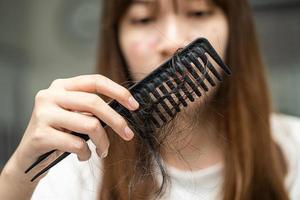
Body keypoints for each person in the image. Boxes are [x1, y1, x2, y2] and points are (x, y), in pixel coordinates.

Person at [0, 0, 299, 199]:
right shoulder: (80, 164)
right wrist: (15, 175)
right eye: (143, 19)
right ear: (115, 40)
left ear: (236, 30)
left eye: (198, 12)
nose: (172, 42)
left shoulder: (295, 148)